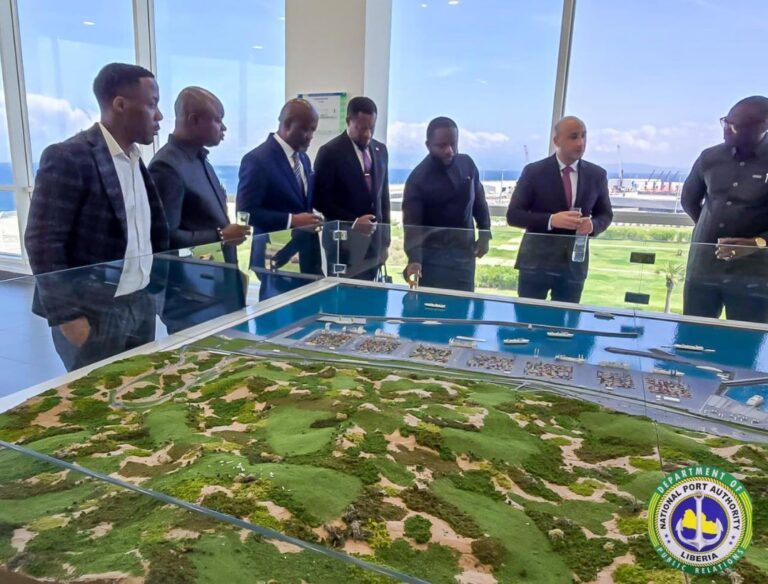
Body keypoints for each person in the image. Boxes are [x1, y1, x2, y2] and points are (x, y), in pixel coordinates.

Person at [24, 62, 169, 370]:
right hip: (92, 311)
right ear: (120, 104)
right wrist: (68, 316)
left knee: (140, 387)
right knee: (98, 396)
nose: (159, 116)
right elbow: (43, 241)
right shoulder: (68, 157)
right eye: (152, 104)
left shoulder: (135, 161)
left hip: (140, 302)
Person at [149, 87, 250, 333]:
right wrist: (221, 235)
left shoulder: (199, 160)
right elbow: (165, 237)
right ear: (193, 120)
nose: (223, 128)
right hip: (191, 298)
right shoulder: (167, 166)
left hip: (217, 286)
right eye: (218, 120)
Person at [506, 116, 612, 303]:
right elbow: (513, 215)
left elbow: (605, 214)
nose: (581, 142)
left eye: (583, 136)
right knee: (528, 317)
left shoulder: (597, 175)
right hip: (535, 264)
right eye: (574, 137)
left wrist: (592, 226)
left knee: (567, 319)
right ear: (556, 141)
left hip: (573, 266)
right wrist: (551, 220)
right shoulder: (534, 172)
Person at [682, 96, 768, 323]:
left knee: (744, 340)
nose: (726, 130)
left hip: (754, 274)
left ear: (763, 126)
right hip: (703, 267)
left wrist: (756, 244)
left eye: (735, 126)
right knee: (692, 333)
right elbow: (689, 200)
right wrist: (709, 231)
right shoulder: (710, 157)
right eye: (725, 122)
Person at [236, 99, 323, 299]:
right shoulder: (257, 160)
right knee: (278, 317)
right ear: (287, 124)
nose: (310, 136)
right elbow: (245, 213)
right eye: (306, 129)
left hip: (306, 257)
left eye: (313, 130)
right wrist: (292, 220)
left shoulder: (303, 158)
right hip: (275, 258)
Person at [402, 117, 491, 292]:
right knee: (433, 307)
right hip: (433, 260)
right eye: (442, 146)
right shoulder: (417, 179)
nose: (449, 151)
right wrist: (414, 259)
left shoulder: (467, 164)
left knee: (463, 305)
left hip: (465, 255)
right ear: (428, 145)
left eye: (453, 144)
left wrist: (485, 233)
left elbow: (479, 201)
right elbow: (412, 225)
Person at [313, 96, 390, 280]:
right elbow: (320, 200)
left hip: (374, 245)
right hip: (344, 243)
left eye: (371, 128)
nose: (367, 134)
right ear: (348, 121)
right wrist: (354, 221)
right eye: (362, 128)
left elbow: (383, 198)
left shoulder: (380, 150)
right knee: (344, 294)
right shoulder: (330, 152)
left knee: (372, 295)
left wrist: (385, 240)